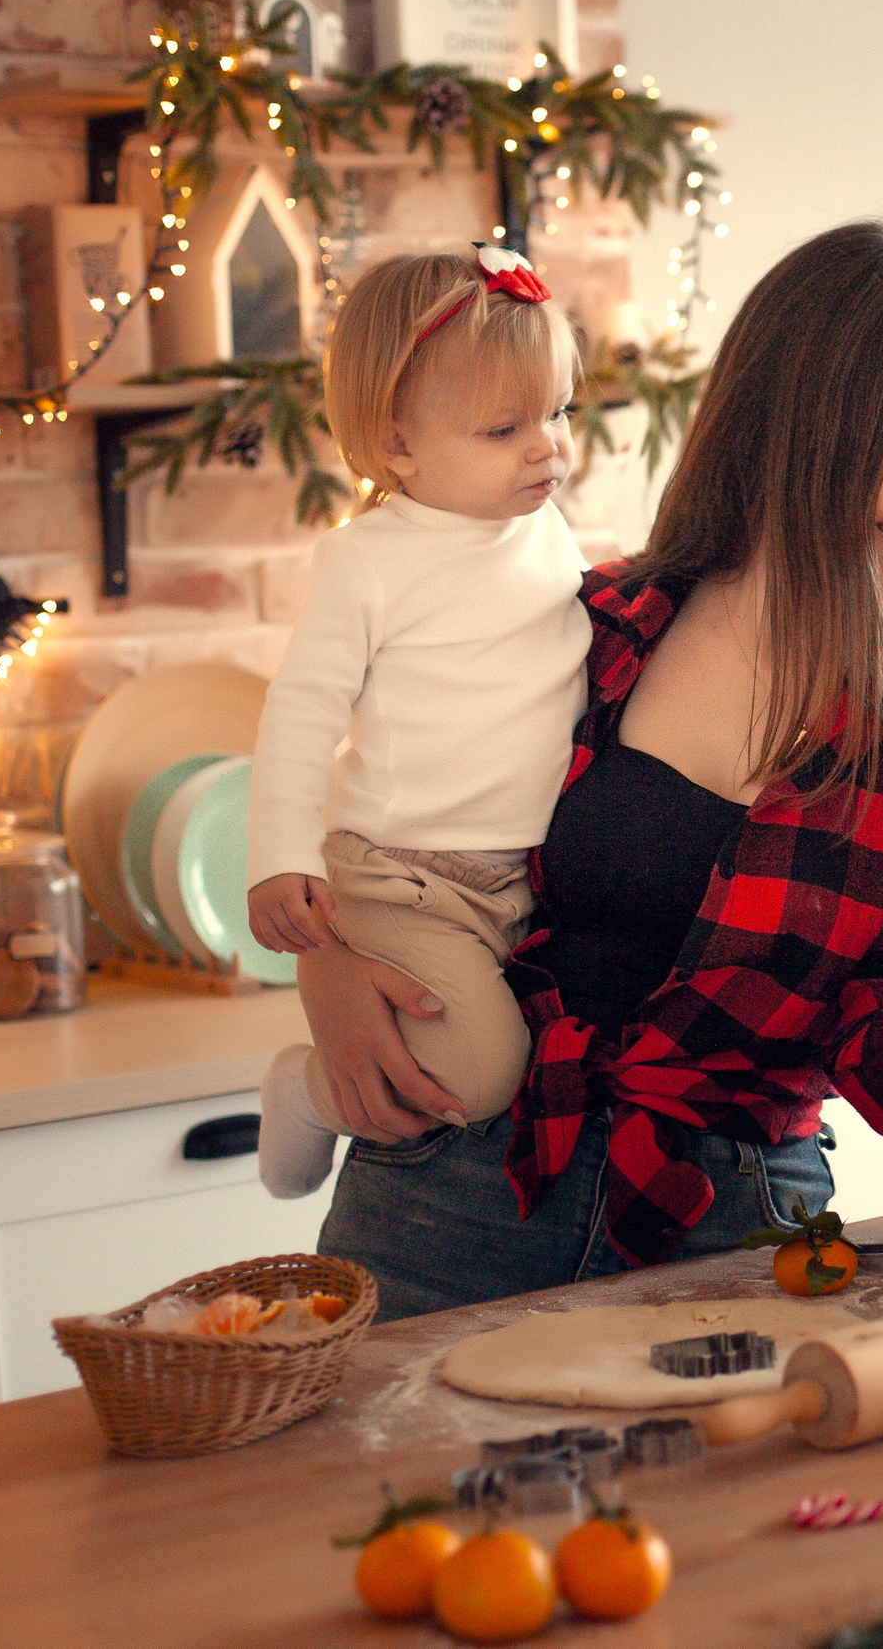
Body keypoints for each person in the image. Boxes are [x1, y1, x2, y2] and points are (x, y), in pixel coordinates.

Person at [294, 223, 883, 1320]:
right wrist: (326, 966)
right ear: (802, 421)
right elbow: (399, 811)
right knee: (384, 1495)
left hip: (733, 1230)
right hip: (451, 1182)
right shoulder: (593, 623)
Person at [244, 245, 587, 1202]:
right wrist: (280, 855)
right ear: (398, 444)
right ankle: (307, 1090)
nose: (547, 447)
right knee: (478, 1076)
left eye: (559, 412)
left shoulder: (548, 529)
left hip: (527, 874)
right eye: (504, 427)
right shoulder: (370, 560)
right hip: (408, 877)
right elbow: (303, 709)